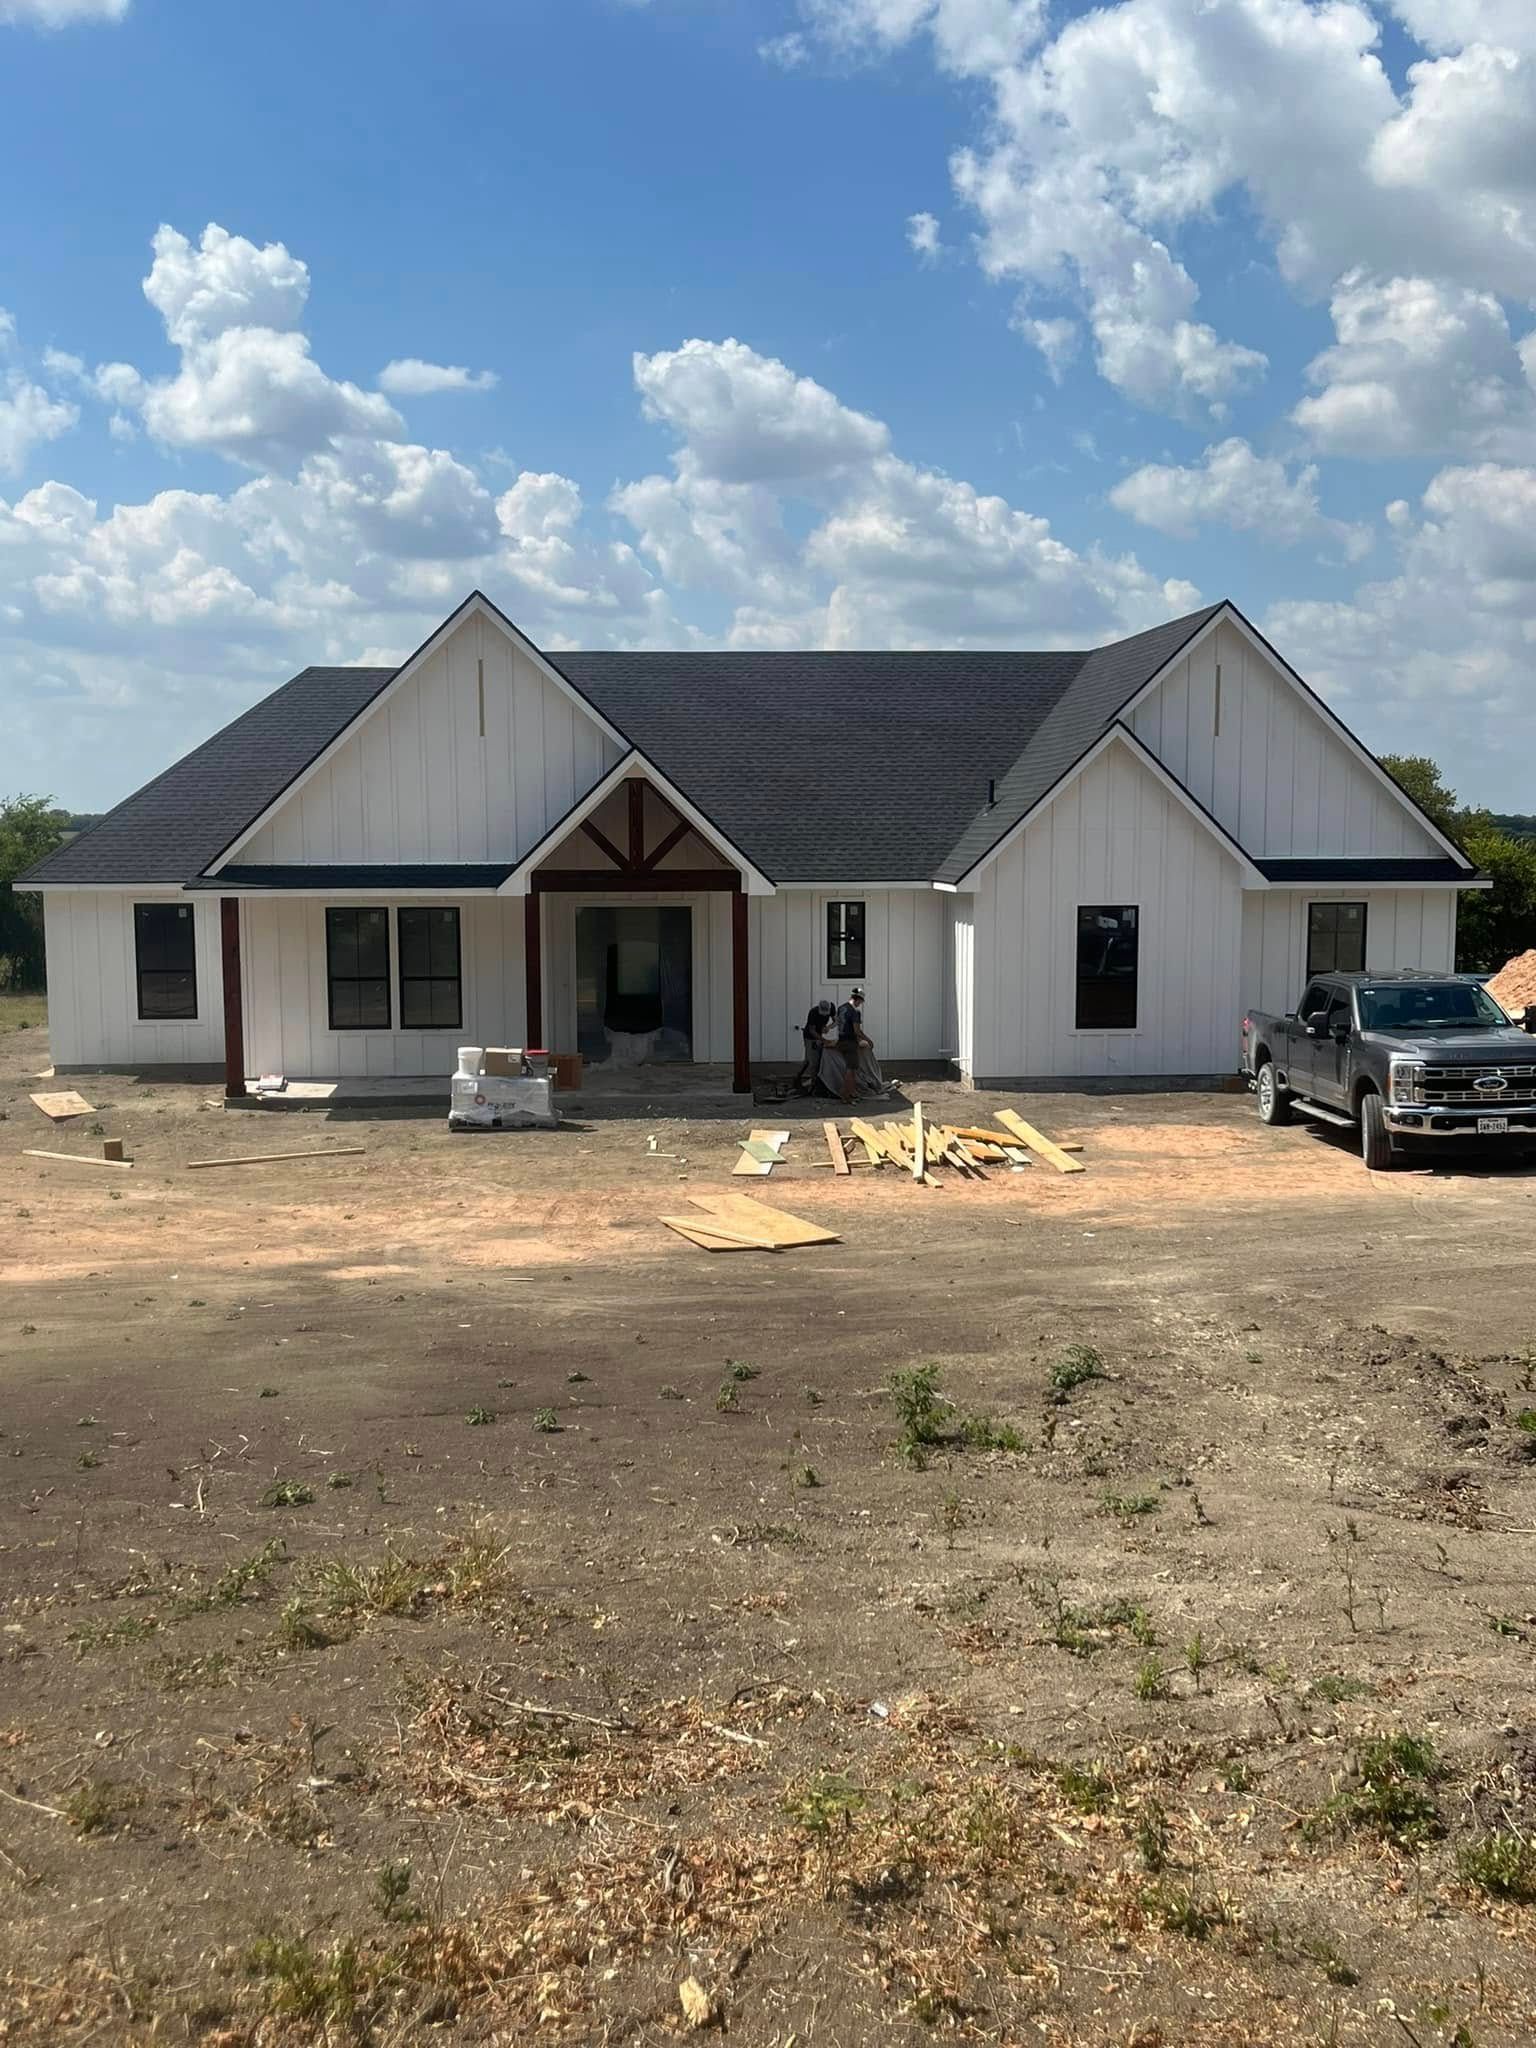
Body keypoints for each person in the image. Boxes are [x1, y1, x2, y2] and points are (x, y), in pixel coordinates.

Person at [796, 999, 834, 1092]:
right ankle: (810, 1083)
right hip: (810, 1037)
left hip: (819, 1035)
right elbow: (812, 1030)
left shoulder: (832, 1007)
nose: (824, 1015)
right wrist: (823, 1040)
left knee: (818, 1059)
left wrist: (828, 1027)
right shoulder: (813, 1012)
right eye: (823, 1013)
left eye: (826, 1013)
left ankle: (817, 1080)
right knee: (812, 1061)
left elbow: (836, 1021)